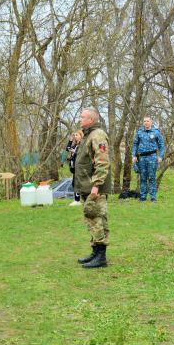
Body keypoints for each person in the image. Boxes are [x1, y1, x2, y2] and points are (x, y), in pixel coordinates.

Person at [73, 108, 111, 269]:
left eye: (82, 117)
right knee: (91, 218)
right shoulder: (87, 135)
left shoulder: (97, 135)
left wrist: (96, 186)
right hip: (86, 185)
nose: (80, 119)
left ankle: (101, 256)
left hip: (95, 186)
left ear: (91, 120)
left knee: (97, 219)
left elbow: (102, 162)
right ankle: (95, 252)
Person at [131, 116, 165, 202]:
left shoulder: (156, 132)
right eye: (144, 121)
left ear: (151, 122)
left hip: (152, 157)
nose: (146, 122)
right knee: (143, 178)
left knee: (152, 177)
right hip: (141, 157)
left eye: (147, 121)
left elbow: (161, 145)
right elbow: (135, 144)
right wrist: (133, 155)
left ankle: (153, 198)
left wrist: (161, 156)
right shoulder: (139, 132)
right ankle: (143, 197)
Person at [65, 131, 82, 205]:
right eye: (74, 135)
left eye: (77, 135)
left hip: (80, 167)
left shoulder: (82, 145)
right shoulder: (75, 145)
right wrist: (70, 140)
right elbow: (67, 148)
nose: (75, 136)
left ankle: (78, 200)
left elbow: (82, 154)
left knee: (77, 183)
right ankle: (77, 200)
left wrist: (75, 152)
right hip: (74, 167)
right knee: (74, 183)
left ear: (81, 136)